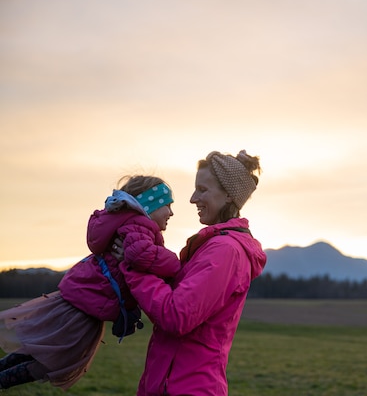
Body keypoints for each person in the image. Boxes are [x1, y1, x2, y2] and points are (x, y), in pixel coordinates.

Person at [0, 175, 180, 390]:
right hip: (86, 309)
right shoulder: (138, 225)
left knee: (43, 351)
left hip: (82, 302)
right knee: (53, 359)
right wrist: (176, 264)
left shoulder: (130, 224)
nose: (171, 213)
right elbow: (140, 254)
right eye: (167, 205)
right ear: (150, 204)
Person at [120, 150, 267, 396]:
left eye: (202, 189)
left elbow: (176, 316)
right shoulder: (211, 246)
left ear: (229, 194)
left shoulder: (225, 251)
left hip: (187, 387)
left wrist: (132, 266)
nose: (192, 198)